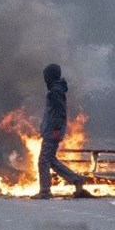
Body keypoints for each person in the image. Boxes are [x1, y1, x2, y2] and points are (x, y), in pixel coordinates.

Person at [36, 63, 90, 199]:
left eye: (46, 76)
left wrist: (55, 129)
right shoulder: (56, 90)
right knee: (50, 160)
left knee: (43, 161)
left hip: (52, 131)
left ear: (50, 76)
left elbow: (60, 112)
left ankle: (45, 191)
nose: (44, 79)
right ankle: (76, 180)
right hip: (52, 130)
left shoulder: (55, 91)